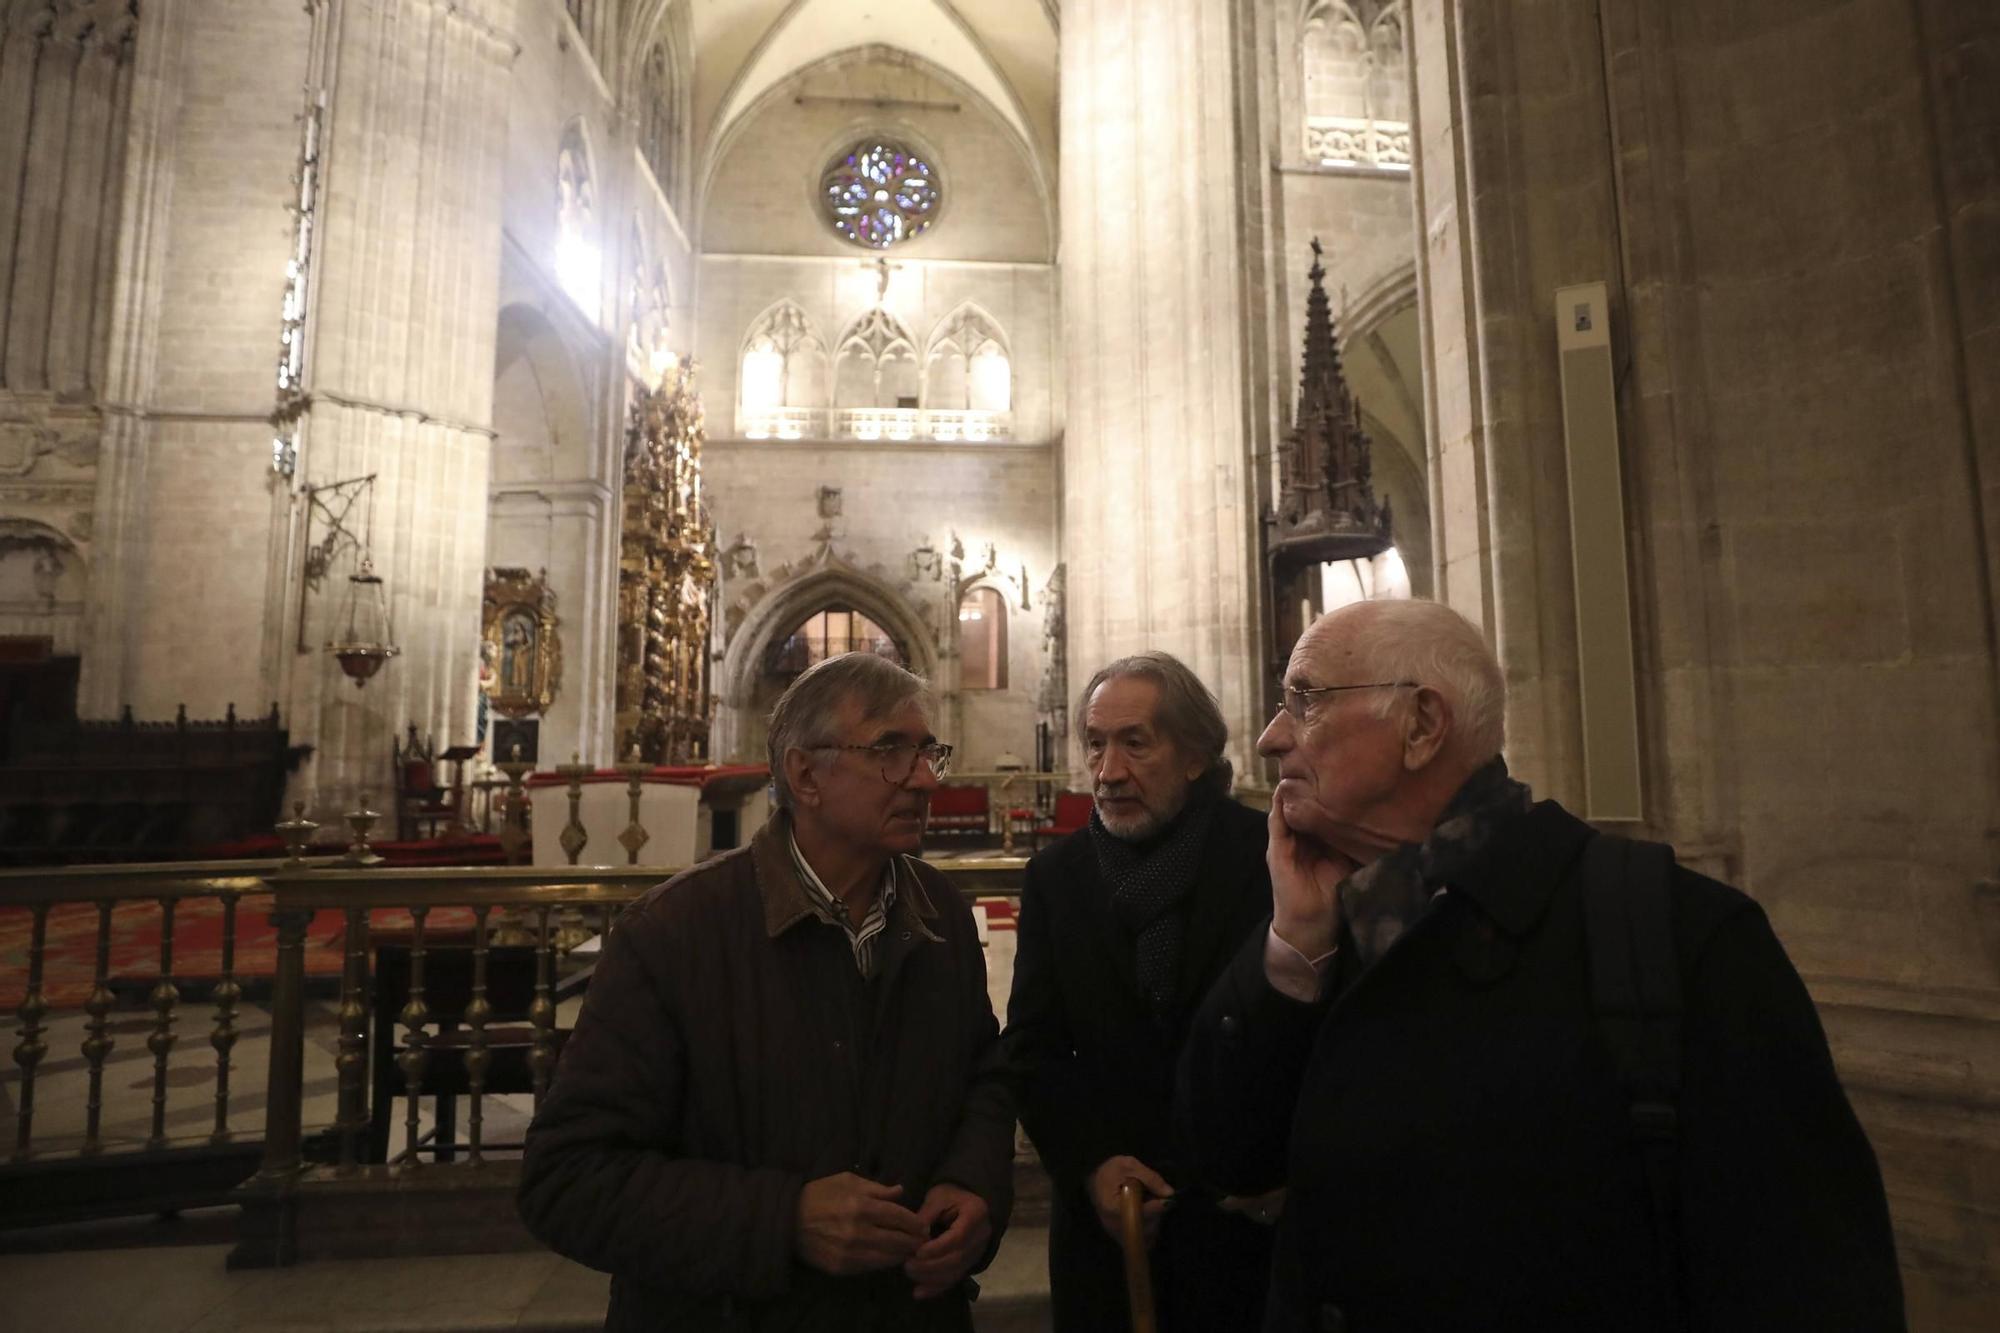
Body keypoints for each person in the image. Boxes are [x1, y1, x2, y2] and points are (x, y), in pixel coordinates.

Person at [1178, 598, 1905, 1332]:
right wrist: (1296, 942)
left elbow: (1805, 1276)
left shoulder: (1682, 936)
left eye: (1304, 700)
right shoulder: (1327, 911)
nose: (1271, 738)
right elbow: (1228, 1153)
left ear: (1422, 725)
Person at [518, 653, 1015, 1331]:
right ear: (804, 774)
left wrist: (972, 1182)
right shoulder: (673, 932)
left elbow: (982, 1077)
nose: (925, 778)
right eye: (891, 752)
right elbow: (566, 1179)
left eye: (928, 751)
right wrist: (783, 1220)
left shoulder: (942, 913)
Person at [1006, 652, 1279, 1330]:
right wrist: (1091, 1164)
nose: (1108, 772)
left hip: (1246, 1227)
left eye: (1135, 742)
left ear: (1193, 755)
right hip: (1110, 1231)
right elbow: (1032, 1052)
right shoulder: (1057, 878)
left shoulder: (1271, 857)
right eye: (1095, 744)